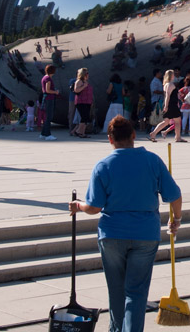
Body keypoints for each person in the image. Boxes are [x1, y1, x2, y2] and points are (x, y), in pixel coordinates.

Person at [69, 116, 182, 332]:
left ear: (110, 139)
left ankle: (116, 329)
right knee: (136, 293)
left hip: (112, 234)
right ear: (133, 136)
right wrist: (176, 219)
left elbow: (94, 208)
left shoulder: (103, 166)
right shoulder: (152, 161)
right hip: (145, 235)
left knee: (117, 291)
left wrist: (78, 205)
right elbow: (174, 196)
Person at [150, 70, 184, 142]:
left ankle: (153, 133)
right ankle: (178, 137)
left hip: (169, 104)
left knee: (166, 122)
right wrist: (166, 105)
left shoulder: (166, 84)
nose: (174, 76)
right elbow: (167, 96)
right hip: (171, 105)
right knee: (177, 121)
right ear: (171, 76)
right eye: (173, 75)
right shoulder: (170, 84)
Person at [71, 68, 93, 138]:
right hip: (81, 102)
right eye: (86, 73)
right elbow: (76, 90)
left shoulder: (86, 82)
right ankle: (79, 131)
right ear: (83, 74)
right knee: (84, 116)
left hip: (87, 102)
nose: (88, 75)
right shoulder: (79, 81)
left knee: (86, 117)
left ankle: (82, 132)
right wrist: (84, 86)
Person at [40, 65, 59, 141]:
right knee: (49, 117)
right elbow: (48, 90)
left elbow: (43, 89)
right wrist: (55, 92)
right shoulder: (48, 79)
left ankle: (43, 133)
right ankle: (48, 135)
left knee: (47, 116)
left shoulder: (44, 77)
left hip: (46, 98)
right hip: (49, 98)